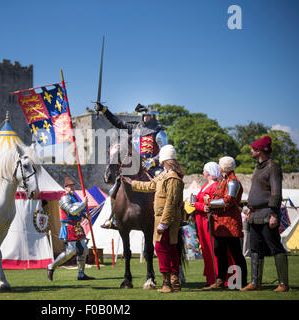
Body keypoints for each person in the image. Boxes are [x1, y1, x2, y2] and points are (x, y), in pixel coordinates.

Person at [94, 102, 168, 229]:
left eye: (149, 116)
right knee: (114, 189)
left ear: (154, 117)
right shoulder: (136, 129)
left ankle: (167, 216)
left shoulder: (159, 132)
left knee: (165, 184)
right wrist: (104, 110)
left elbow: (164, 151)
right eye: (144, 116)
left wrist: (151, 162)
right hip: (134, 165)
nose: (146, 118)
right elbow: (118, 122)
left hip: (153, 166)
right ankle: (115, 218)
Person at [122, 145, 184, 293]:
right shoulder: (163, 176)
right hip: (162, 218)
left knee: (162, 249)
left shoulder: (173, 178)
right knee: (169, 248)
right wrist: (132, 183)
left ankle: (167, 283)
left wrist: (164, 223)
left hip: (166, 220)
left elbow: (170, 202)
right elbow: (150, 185)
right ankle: (174, 281)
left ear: (164, 160)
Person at [241, 136, 289, 292]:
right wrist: (249, 208)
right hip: (254, 214)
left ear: (260, 150)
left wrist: (274, 213)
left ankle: (283, 283)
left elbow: (276, 192)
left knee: (275, 247)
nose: (251, 151)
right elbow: (256, 191)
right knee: (254, 248)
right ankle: (255, 283)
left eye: (253, 149)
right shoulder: (258, 167)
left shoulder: (273, 167)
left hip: (268, 212)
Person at [203, 156, 248, 290]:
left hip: (230, 223)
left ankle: (241, 282)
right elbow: (219, 197)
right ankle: (220, 281)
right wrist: (210, 203)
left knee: (236, 253)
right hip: (219, 223)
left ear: (223, 167)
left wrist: (209, 203)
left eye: (219, 164)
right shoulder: (224, 180)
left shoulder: (233, 182)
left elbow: (228, 201)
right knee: (220, 253)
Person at [47, 177, 95, 281]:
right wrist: (83, 203)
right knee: (71, 251)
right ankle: (51, 266)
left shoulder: (75, 198)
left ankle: (81, 274)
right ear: (65, 187)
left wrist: (86, 216)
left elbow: (79, 212)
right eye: (70, 186)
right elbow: (72, 211)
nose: (72, 188)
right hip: (68, 227)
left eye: (73, 186)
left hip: (77, 226)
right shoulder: (64, 198)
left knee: (83, 250)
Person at [192, 162, 222, 288]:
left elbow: (207, 205)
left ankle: (216, 278)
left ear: (208, 172)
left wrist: (196, 205)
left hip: (207, 221)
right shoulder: (206, 185)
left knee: (211, 249)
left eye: (204, 170)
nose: (203, 172)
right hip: (201, 220)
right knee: (205, 249)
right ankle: (211, 278)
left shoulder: (214, 186)